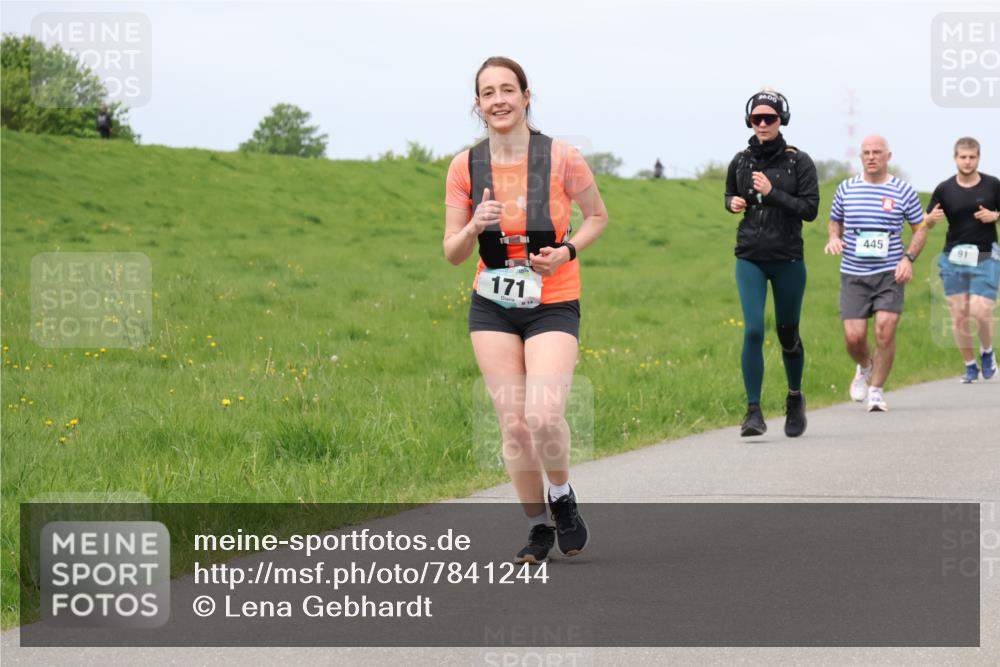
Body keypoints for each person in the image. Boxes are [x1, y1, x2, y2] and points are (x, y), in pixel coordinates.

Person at [443, 57, 608, 563]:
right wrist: (474, 226)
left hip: (552, 300)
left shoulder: (561, 157)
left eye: (507, 90)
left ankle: (561, 495)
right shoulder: (464, 166)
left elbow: (597, 216)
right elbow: (452, 251)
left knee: (542, 415)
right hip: (492, 304)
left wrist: (567, 251)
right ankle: (537, 528)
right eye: (488, 92)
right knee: (513, 426)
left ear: (526, 95)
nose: (498, 100)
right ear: (478, 104)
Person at [725, 90, 819, 438]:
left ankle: (794, 398)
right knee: (752, 329)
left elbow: (810, 210)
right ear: (749, 121)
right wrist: (732, 202)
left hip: (788, 258)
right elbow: (729, 194)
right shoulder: (740, 160)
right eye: (757, 118)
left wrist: (772, 192)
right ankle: (753, 412)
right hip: (750, 256)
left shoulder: (799, 162)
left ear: (782, 121)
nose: (763, 124)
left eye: (770, 118)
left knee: (787, 332)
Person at [824, 135, 928, 411]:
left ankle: (877, 391)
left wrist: (908, 259)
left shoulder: (903, 190)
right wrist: (834, 238)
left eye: (877, 152)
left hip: (889, 273)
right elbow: (835, 220)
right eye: (866, 153)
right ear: (861, 157)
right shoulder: (846, 188)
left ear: (888, 156)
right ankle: (864, 366)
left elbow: (921, 229)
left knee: (885, 329)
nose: (871, 157)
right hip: (853, 273)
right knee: (854, 337)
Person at [925, 137, 1000, 382]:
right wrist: (930, 221)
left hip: (986, 255)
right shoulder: (944, 189)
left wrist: (995, 216)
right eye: (963, 157)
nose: (967, 162)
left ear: (978, 158)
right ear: (955, 158)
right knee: (959, 314)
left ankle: (987, 352)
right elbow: (926, 220)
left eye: (972, 157)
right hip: (954, 257)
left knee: (980, 311)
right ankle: (970, 365)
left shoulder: (992, 185)